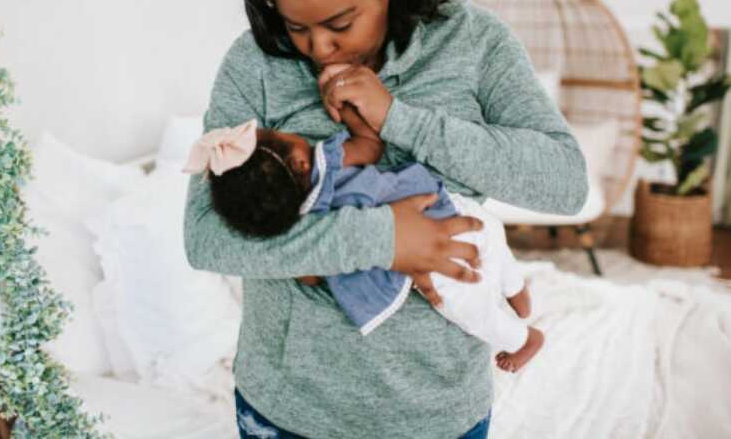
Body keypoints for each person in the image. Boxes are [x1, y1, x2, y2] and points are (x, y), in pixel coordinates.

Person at [183, 0, 588, 438]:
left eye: (339, 24)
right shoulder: (255, 64)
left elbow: (565, 183)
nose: (318, 48)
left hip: (439, 412)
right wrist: (382, 239)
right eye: (296, 27)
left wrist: (399, 117)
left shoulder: (474, 43)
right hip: (289, 409)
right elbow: (205, 238)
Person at [182, 109, 546, 373]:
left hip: (436, 236)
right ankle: (517, 294)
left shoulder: (307, 223)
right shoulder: (327, 160)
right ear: (298, 163)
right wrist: (355, 116)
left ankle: (520, 338)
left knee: (467, 306)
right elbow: (370, 145)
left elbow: (310, 273)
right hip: (445, 204)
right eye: (277, 132)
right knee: (491, 237)